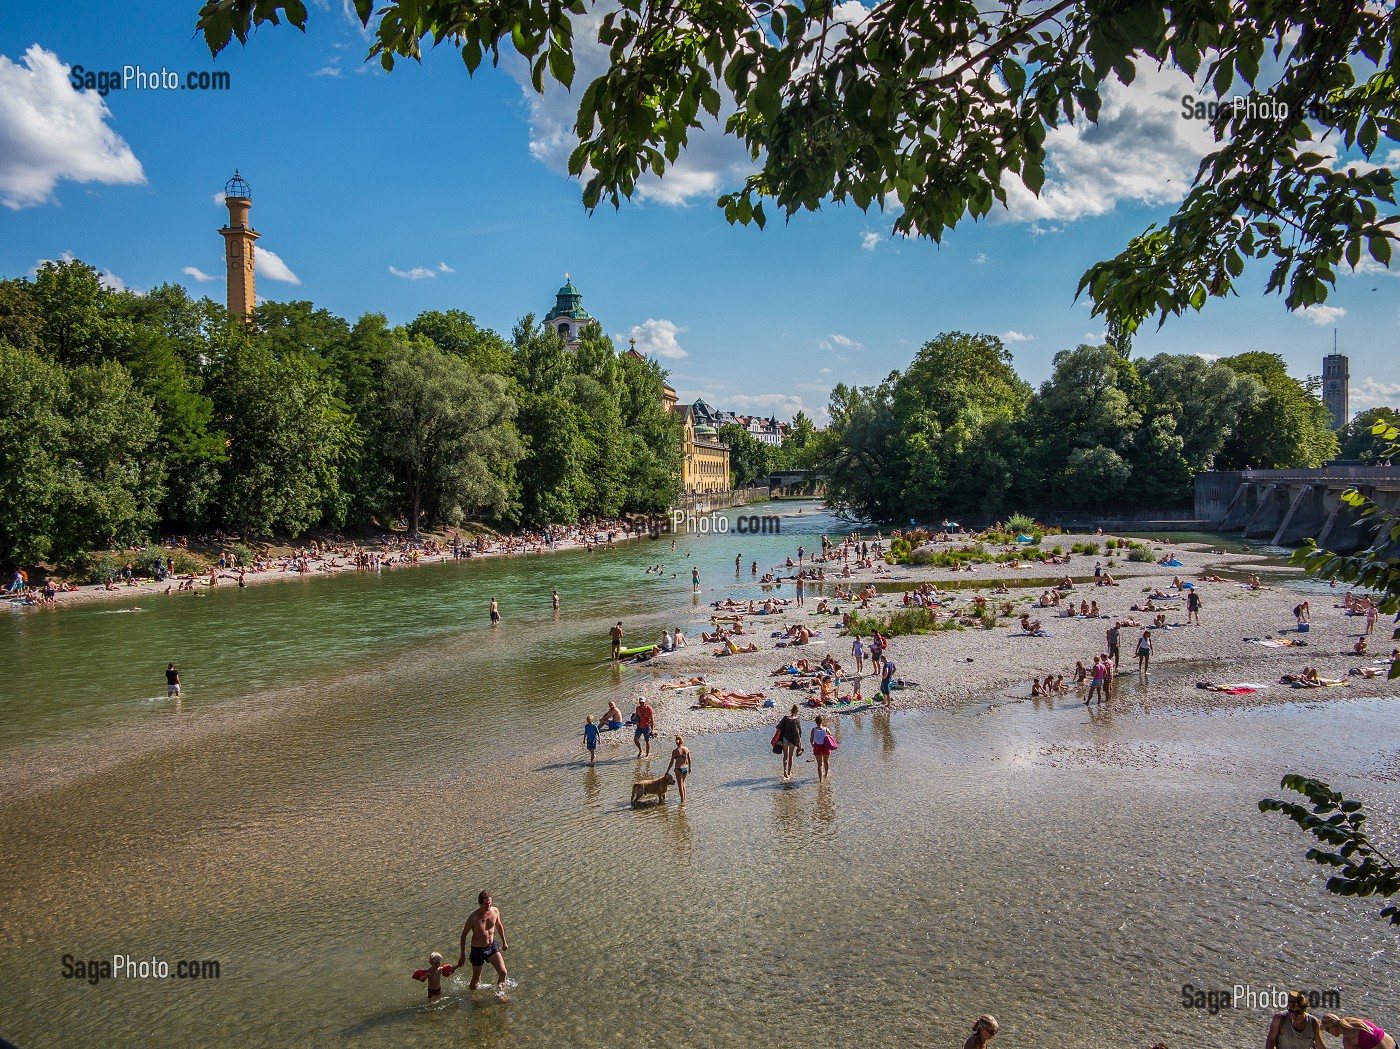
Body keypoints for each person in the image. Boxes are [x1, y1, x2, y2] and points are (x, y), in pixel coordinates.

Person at [457, 891, 509, 996]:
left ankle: (499, 994)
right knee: (475, 980)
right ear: (480, 903)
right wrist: (462, 955)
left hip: (491, 947)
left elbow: (499, 926)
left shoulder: (495, 911)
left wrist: (504, 942)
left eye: (490, 903)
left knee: (503, 972)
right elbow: (463, 935)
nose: (488, 906)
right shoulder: (473, 917)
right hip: (477, 950)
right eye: (486, 904)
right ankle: (471, 995)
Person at [1320, 1013, 1395, 1049]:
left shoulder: (1348, 1040)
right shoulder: (1353, 1021)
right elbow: (1333, 1023)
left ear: (1332, 1029)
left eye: (1327, 1031)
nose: (1329, 1033)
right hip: (1393, 1044)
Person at [775, 704, 803, 779]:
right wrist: (800, 745)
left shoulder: (785, 718)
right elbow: (799, 733)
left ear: (791, 711)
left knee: (785, 756)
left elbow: (778, 726)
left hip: (785, 738)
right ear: (797, 712)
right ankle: (789, 772)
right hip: (793, 740)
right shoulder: (796, 720)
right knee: (791, 756)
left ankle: (784, 769)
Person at [664, 735, 692, 803]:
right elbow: (689, 759)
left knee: (680, 785)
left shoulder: (675, 751)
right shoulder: (686, 749)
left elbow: (671, 762)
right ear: (682, 741)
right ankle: (684, 799)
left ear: (676, 742)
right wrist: (690, 768)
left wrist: (667, 771)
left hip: (678, 769)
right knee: (683, 784)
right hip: (685, 768)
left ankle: (682, 802)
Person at [810, 715, 836, 780]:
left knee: (819, 764)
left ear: (815, 722)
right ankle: (826, 774)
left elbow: (811, 739)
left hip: (817, 747)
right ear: (822, 721)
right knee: (826, 761)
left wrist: (812, 744)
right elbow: (831, 736)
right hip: (825, 747)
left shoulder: (813, 730)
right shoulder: (826, 729)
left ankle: (820, 780)